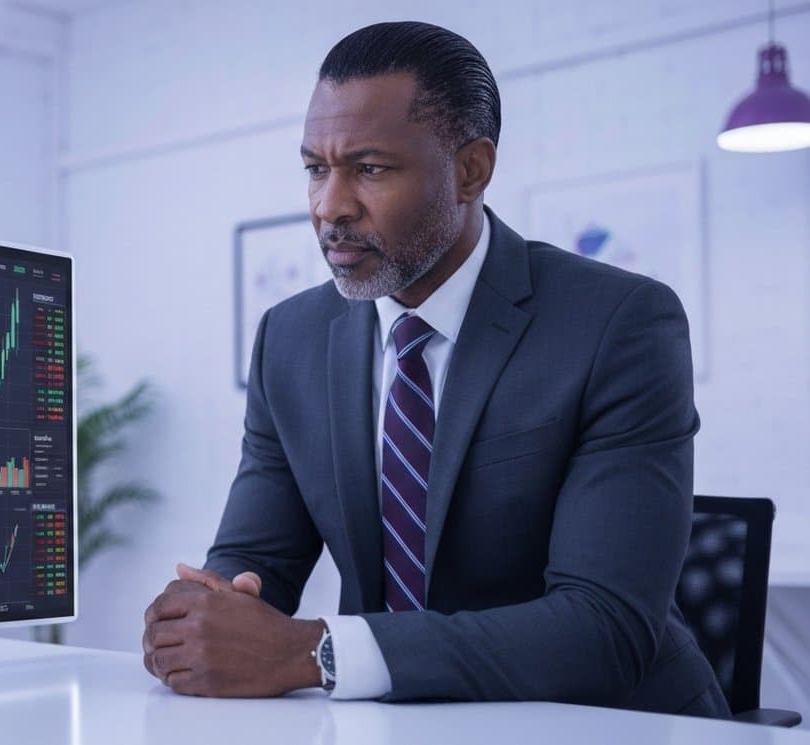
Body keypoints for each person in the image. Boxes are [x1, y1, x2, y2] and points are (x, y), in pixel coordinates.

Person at [140, 20, 728, 718]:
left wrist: (315, 651)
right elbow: (252, 566)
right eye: (315, 168)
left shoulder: (617, 322)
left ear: (472, 169)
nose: (330, 205)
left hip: (610, 723)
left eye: (370, 168)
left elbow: (604, 627)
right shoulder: (290, 339)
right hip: (391, 724)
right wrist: (201, 618)